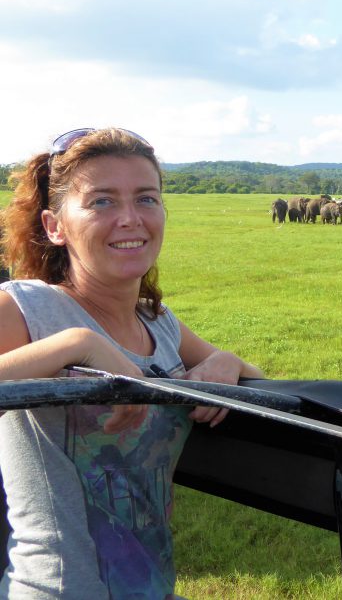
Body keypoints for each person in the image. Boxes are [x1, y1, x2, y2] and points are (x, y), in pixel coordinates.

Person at [0, 128, 263, 599]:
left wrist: (225, 362)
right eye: (101, 202)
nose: (129, 218)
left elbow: (267, 384)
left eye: (146, 198)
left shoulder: (160, 325)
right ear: (55, 226)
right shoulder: (27, 309)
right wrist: (78, 346)